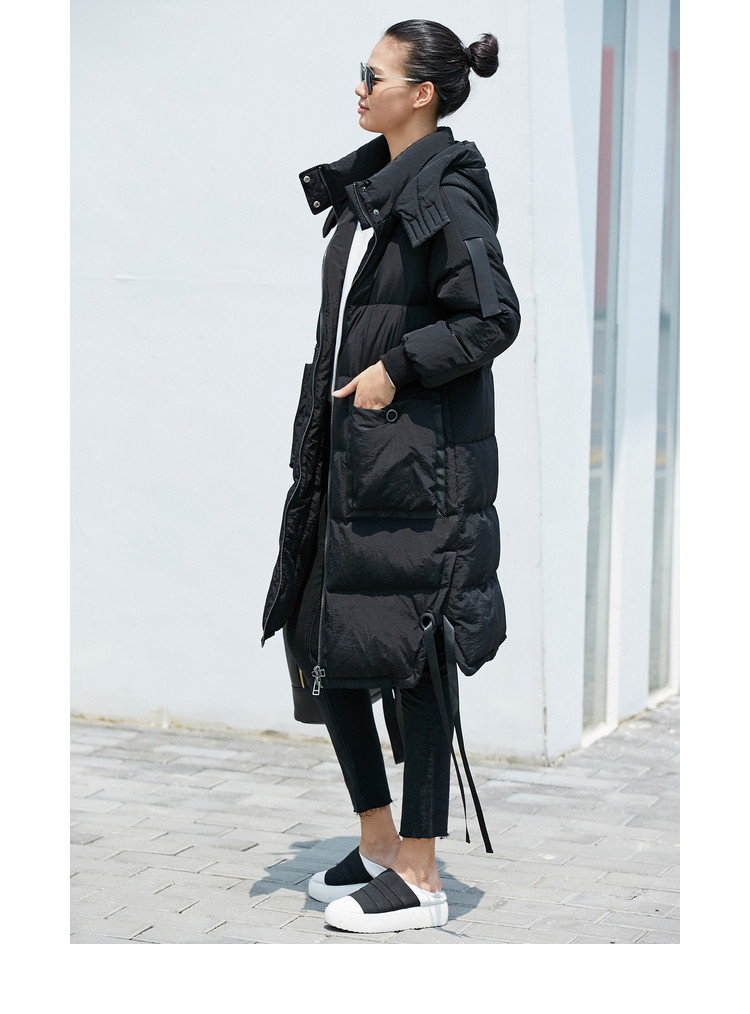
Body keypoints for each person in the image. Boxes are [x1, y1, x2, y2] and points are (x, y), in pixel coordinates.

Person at [260, 19, 521, 933]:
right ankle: (377, 842)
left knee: (413, 660)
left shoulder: (444, 192)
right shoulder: (375, 188)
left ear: (422, 94)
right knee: (323, 643)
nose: (360, 88)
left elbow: (492, 317)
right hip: (355, 462)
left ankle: (420, 874)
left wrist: (394, 370)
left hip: (419, 475)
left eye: (374, 75)